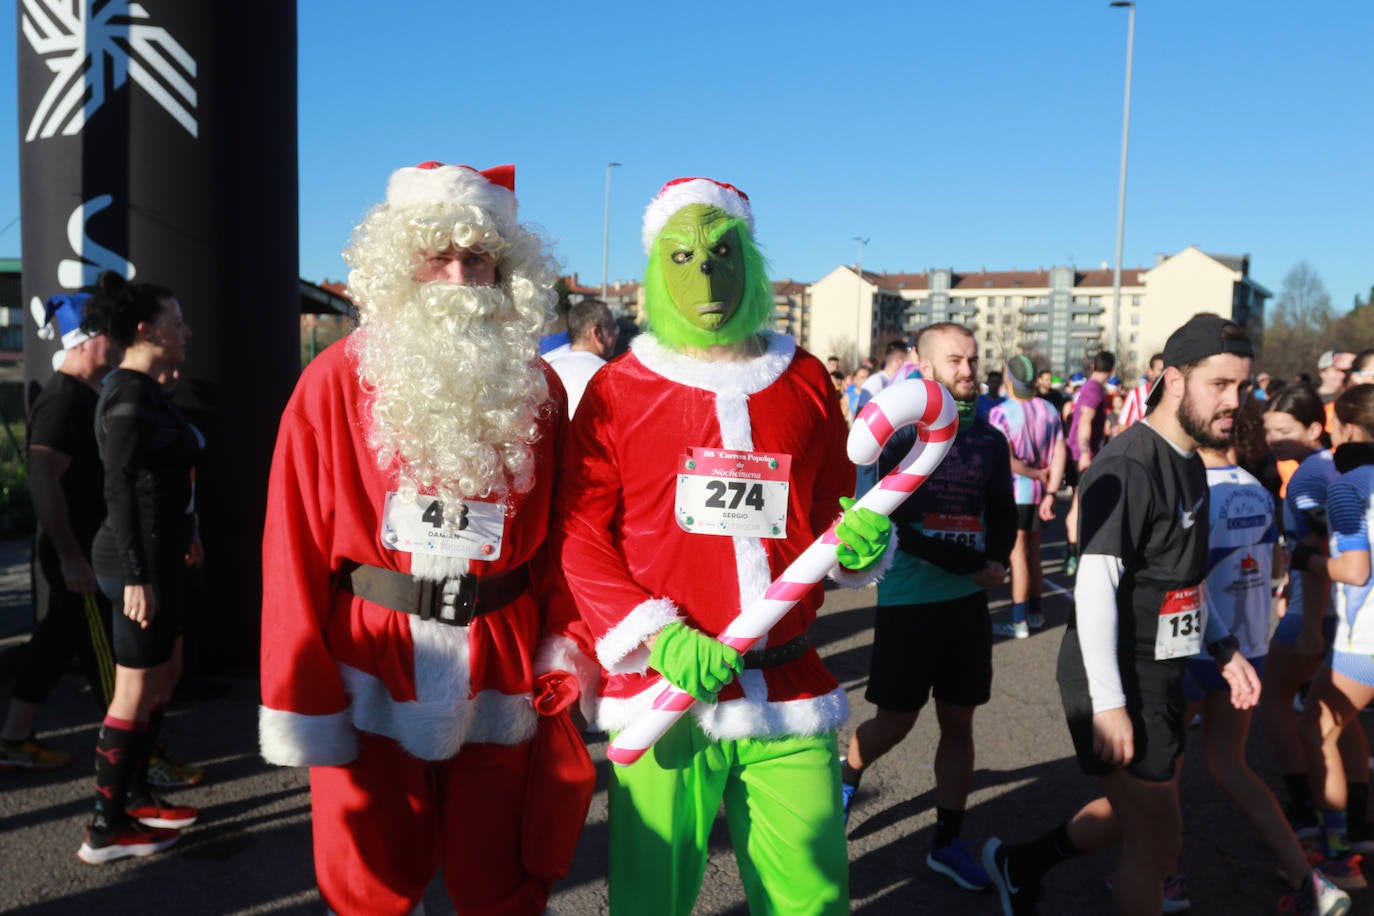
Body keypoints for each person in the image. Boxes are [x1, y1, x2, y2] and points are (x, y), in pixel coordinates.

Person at [258, 162, 597, 915]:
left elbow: (567, 540)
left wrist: (566, 647)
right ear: (398, 267)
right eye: (436, 256)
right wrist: (301, 691)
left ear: (505, 273)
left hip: (504, 657)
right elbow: (292, 548)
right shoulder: (332, 381)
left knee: (501, 875)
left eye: (477, 259)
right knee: (369, 879)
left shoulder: (537, 386)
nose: (456, 276)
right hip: (369, 656)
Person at [557, 176, 893, 916]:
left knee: (812, 899)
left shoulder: (802, 375)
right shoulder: (620, 387)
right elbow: (579, 532)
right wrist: (656, 636)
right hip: (665, 692)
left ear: (751, 259)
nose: (705, 275)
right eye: (681, 257)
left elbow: (833, 515)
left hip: (788, 691)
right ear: (653, 271)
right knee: (653, 900)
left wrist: (864, 544)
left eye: (721, 251)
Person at [983, 315, 1281, 916]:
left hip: (1166, 672)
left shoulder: (1193, 462)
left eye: (1241, 387)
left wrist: (1224, 651)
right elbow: (1094, 587)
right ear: (1174, 380)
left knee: (1134, 819)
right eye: (1219, 385)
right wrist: (1110, 704)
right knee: (1159, 839)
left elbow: (1186, 581)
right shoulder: (1127, 465)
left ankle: (1020, 864)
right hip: (1119, 676)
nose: (1234, 402)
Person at [841, 321, 1015, 892]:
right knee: (894, 723)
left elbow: (1002, 511)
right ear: (921, 363)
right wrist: (971, 565)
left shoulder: (990, 439)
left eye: (973, 360)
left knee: (959, 721)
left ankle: (946, 841)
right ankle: (846, 779)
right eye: (955, 361)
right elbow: (886, 523)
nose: (968, 371)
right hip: (909, 600)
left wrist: (995, 558)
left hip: (965, 606)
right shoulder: (897, 435)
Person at [1177, 435, 1350, 910]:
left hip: (1196, 646)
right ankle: (1309, 878)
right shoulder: (1256, 487)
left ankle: (1164, 876)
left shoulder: (1186, 489)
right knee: (1230, 765)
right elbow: (1275, 563)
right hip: (1249, 647)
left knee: (1159, 778)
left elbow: (1175, 573)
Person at [76, 272, 201, 863]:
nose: (187, 332)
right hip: (136, 563)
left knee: (160, 677)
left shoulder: (145, 391)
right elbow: (119, 488)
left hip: (158, 555)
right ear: (148, 331)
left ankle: (140, 795)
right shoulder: (127, 395)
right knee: (132, 690)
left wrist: (189, 530)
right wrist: (136, 575)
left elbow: (165, 477)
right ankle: (105, 827)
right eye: (177, 323)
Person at [0, 294, 119, 771]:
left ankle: (13, 737)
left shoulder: (85, 394)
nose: (117, 343)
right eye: (110, 334)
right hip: (78, 551)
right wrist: (71, 556)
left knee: (54, 642)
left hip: (85, 548)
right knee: (103, 653)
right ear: (86, 341)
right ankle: (131, 756)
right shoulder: (62, 400)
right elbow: (42, 479)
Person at [1260, 384, 1370, 860]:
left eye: (1283, 430)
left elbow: (1336, 559)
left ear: (1326, 427)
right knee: (1337, 717)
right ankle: (1357, 825)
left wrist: (1307, 620)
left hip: (1341, 619)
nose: (1272, 438)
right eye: (1267, 429)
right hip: (1344, 619)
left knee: (1296, 713)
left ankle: (1319, 825)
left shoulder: (1316, 479)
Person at [1295, 384, 1374, 888]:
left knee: (1316, 728)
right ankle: (1360, 832)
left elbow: (1355, 570)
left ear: (1344, 427)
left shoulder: (1347, 486)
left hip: (1365, 639)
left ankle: (1340, 858)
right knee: (1342, 723)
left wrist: (1309, 560)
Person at [988, 355, 1066, 638]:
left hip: (1015, 493)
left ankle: (1019, 620)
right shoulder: (1049, 409)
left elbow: (1005, 460)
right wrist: (1050, 492)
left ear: (1008, 379)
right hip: (1038, 495)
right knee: (1033, 554)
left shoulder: (1001, 413)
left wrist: (1034, 474)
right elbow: (1060, 453)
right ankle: (1035, 613)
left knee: (1017, 556)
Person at [1062, 351, 1115, 577]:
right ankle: (1074, 554)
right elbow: (1084, 419)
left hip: (1077, 452)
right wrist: (1085, 452)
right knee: (1079, 505)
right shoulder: (1093, 389)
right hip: (1081, 455)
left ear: (1093, 366)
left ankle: (1074, 552)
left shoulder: (1089, 387)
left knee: (1079, 503)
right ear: (1112, 370)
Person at [545, 298, 617, 416]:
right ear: (596, 333)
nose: (615, 335)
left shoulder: (547, 372)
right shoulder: (609, 374)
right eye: (613, 328)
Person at [1118, 353, 1164, 431]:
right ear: (1150, 371)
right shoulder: (1136, 394)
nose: (1164, 374)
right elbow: (1123, 426)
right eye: (1161, 370)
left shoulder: (1176, 394)